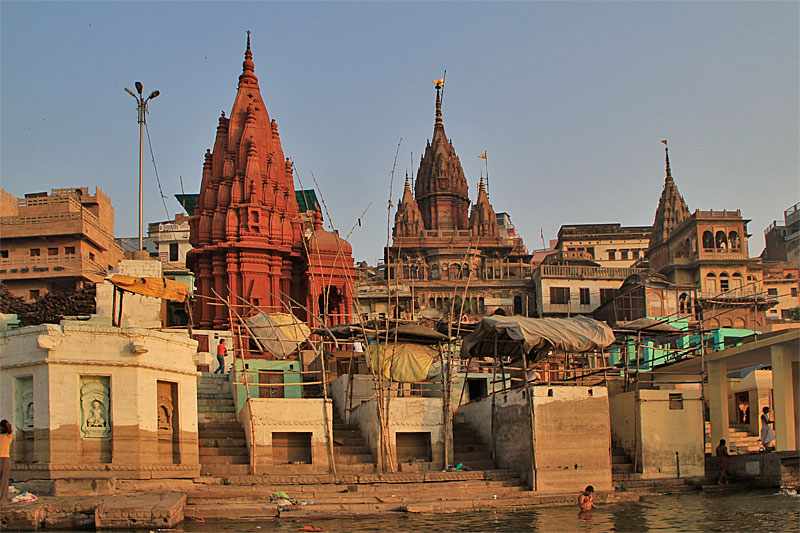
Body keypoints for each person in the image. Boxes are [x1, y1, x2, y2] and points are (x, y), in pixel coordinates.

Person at [1, 419, 13, 508]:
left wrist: (5, 424)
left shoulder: (8, 435)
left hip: (4, 459)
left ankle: (2, 502)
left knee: (4, 481)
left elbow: (9, 427)